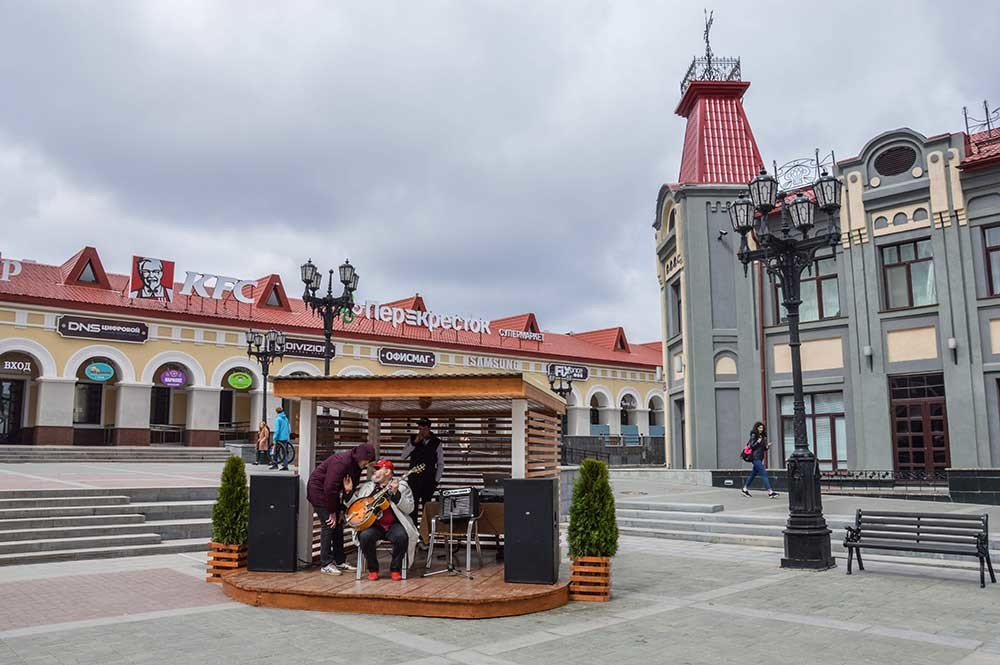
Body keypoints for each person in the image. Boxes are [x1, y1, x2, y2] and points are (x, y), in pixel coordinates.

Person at [306, 443, 376, 575]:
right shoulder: (341, 462)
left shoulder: (357, 465)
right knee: (329, 524)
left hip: (333, 495)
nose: (367, 464)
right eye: (366, 461)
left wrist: (343, 510)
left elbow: (350, 488)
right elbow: (329, 487)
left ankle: (340, 561)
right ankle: (326, 563)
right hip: (319, 491)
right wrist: (332, 512)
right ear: (360, 456)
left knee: (339, 524)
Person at [351, 459, 417, 581]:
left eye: (377, 469)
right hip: (374, 525)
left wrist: (396, 494)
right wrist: (348, 493)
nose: (374, 472)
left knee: (402, 536)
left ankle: (395, 569)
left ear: (387, 472)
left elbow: (409, 509)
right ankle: (373, 569)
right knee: (365, 536)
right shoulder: (368, 487)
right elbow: (357, 507)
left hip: (394, 524)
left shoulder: (402, 486)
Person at [401, 417, 443, 538]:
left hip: (429, 480)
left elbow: (440, 463)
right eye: (419, 429)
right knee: (412, 507)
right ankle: (412, 533)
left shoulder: (437, 442)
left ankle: (425, 535)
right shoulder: (412, 439)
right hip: (414, 479)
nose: (421, 431)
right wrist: (415, 443)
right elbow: (403, 456)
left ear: (429, 428)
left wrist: (436, 480)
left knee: (427, 507)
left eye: (424, 429)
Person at [741, 421, 778, 499]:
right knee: (764, 473)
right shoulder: (754, 435)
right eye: (759, 428)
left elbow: (763, 449)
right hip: (755, 458)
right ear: (756, 428)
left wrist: (767, 446)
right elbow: (751, 446)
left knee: (753, 474)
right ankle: (770, 492)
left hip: (760, 458)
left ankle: (745, 489)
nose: (761, 429)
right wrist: (757, 442)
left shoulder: (762, 436)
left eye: (762, 428)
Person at [270, 406, 291, 470]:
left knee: (275, 452)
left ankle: (275, 465)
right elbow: (289, 428)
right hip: (285, 438)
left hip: (279, 438)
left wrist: (274, 438)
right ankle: (285, 466)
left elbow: (277, 430)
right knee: (284, 452)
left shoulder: (278, 419)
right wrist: (287, 436)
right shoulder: (286, 418)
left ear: (276, 412)